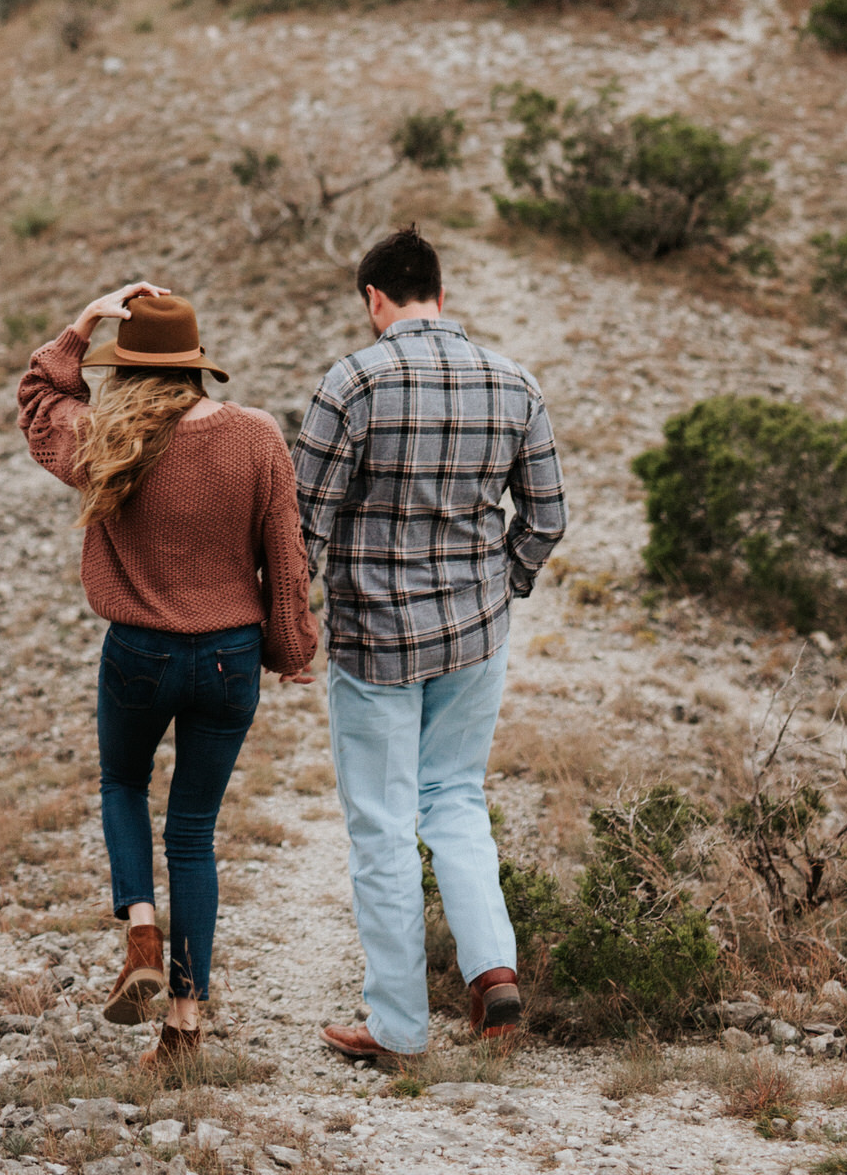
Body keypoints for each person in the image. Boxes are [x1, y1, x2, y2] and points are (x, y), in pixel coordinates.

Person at [19, 281, 318, 1066]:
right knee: (193, 835)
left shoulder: (103, 435)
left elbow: (38, 396)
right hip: (228, 659)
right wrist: (290, 648)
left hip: (139, 655)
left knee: (122, 785)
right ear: (196, 365)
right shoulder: (257, 436)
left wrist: (82, 324)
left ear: (127, 366)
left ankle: (140, 930)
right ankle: (185, 1024)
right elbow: (284, 553)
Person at [292, 225, 566, 1063]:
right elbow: (547, 519)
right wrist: (499, 585)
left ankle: (400, 1029)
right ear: (440, 294)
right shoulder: (514, 382)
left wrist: (291, 618)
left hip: (375, 641)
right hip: (475, 638)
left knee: (380, 824)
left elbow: (303, 521)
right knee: (455, 800)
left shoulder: (353, 382)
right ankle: (491, 969)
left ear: (375, 300)